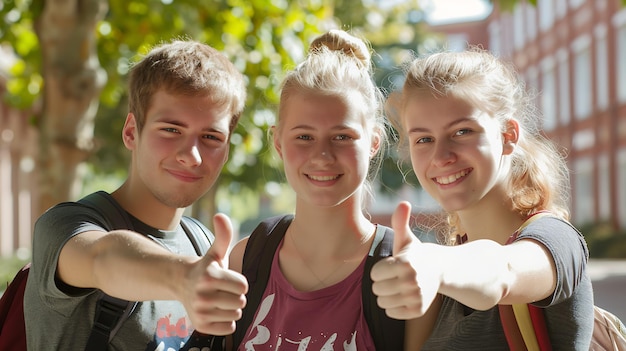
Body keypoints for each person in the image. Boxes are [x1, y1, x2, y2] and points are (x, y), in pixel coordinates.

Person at [23, 39, 249, 350]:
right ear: (131, 132)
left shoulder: (204, 245)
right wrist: (184, 278)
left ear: (226, 151)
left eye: (211, 136)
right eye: (171, 130)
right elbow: (103, 259)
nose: (192, 155)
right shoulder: (64, 227)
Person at [371, 48, 595, 350]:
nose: (441, 156)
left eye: (462, 131)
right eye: (424, 139)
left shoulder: (556, 241)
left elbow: (503, 271)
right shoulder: (434, 279)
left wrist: (434, 264)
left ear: (508, 135)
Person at [227, 29, 401, 350]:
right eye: (304, 137)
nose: (322, 156)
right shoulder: (245, 260)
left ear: (374, 142)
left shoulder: (402, 271)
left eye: (342, 136)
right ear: (278, 142)